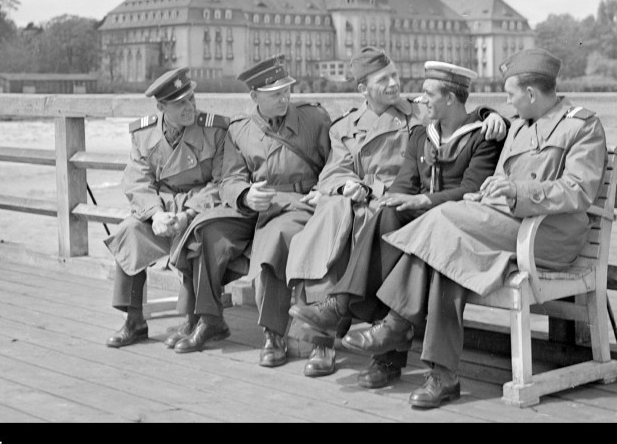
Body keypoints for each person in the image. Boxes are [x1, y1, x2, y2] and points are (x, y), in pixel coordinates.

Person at [342, 48, 608, 409]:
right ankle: (443, 375)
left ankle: (397, 323)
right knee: (446, 251)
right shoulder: (518, 124)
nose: (506, 100)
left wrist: (517, 191)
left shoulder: (582, 125)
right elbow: (496, 172)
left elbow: (579, 190)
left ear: (530, 94)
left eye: (510, 93)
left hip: (548, 237)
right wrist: (490, 191)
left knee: (442, 222)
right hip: (506, 225)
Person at [289, 61, 507, 388]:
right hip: (426, 220)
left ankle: (378, 333)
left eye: (429, 93)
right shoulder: (422, 134)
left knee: (402, 245)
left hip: (455, 223)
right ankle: (359, 322)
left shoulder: (480, 137)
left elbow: (470, 189)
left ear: (449, 98)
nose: (420, 98)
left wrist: (492, 114)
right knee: (384, 214)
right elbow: (404, 183)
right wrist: (397, 198)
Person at [170, 54, 331, 367]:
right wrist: (245, 195)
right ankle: (209, 318)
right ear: (255, 96)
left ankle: (273, 334)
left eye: (286, 92)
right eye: (274, 95)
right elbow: (229, 179)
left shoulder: (314, 120)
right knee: (207, 229)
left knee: (275, 239)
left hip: (294, 205)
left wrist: (322, 190)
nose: (284, 99)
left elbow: (334, 165)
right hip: (254, 206)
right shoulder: (240, 129)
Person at [104, 66, 229, 349]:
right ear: (161, 107)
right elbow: (137, 180)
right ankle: (134, 320)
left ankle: (194, 318)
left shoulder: (214, 130)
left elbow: (221, 182)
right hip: (161, 210)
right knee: (129, 230)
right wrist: (156, 214)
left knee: (198, 238)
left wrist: (188, 214)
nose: (190, 107)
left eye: (191, 99)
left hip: (199, 210)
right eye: (180, 103)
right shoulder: (143, 134)